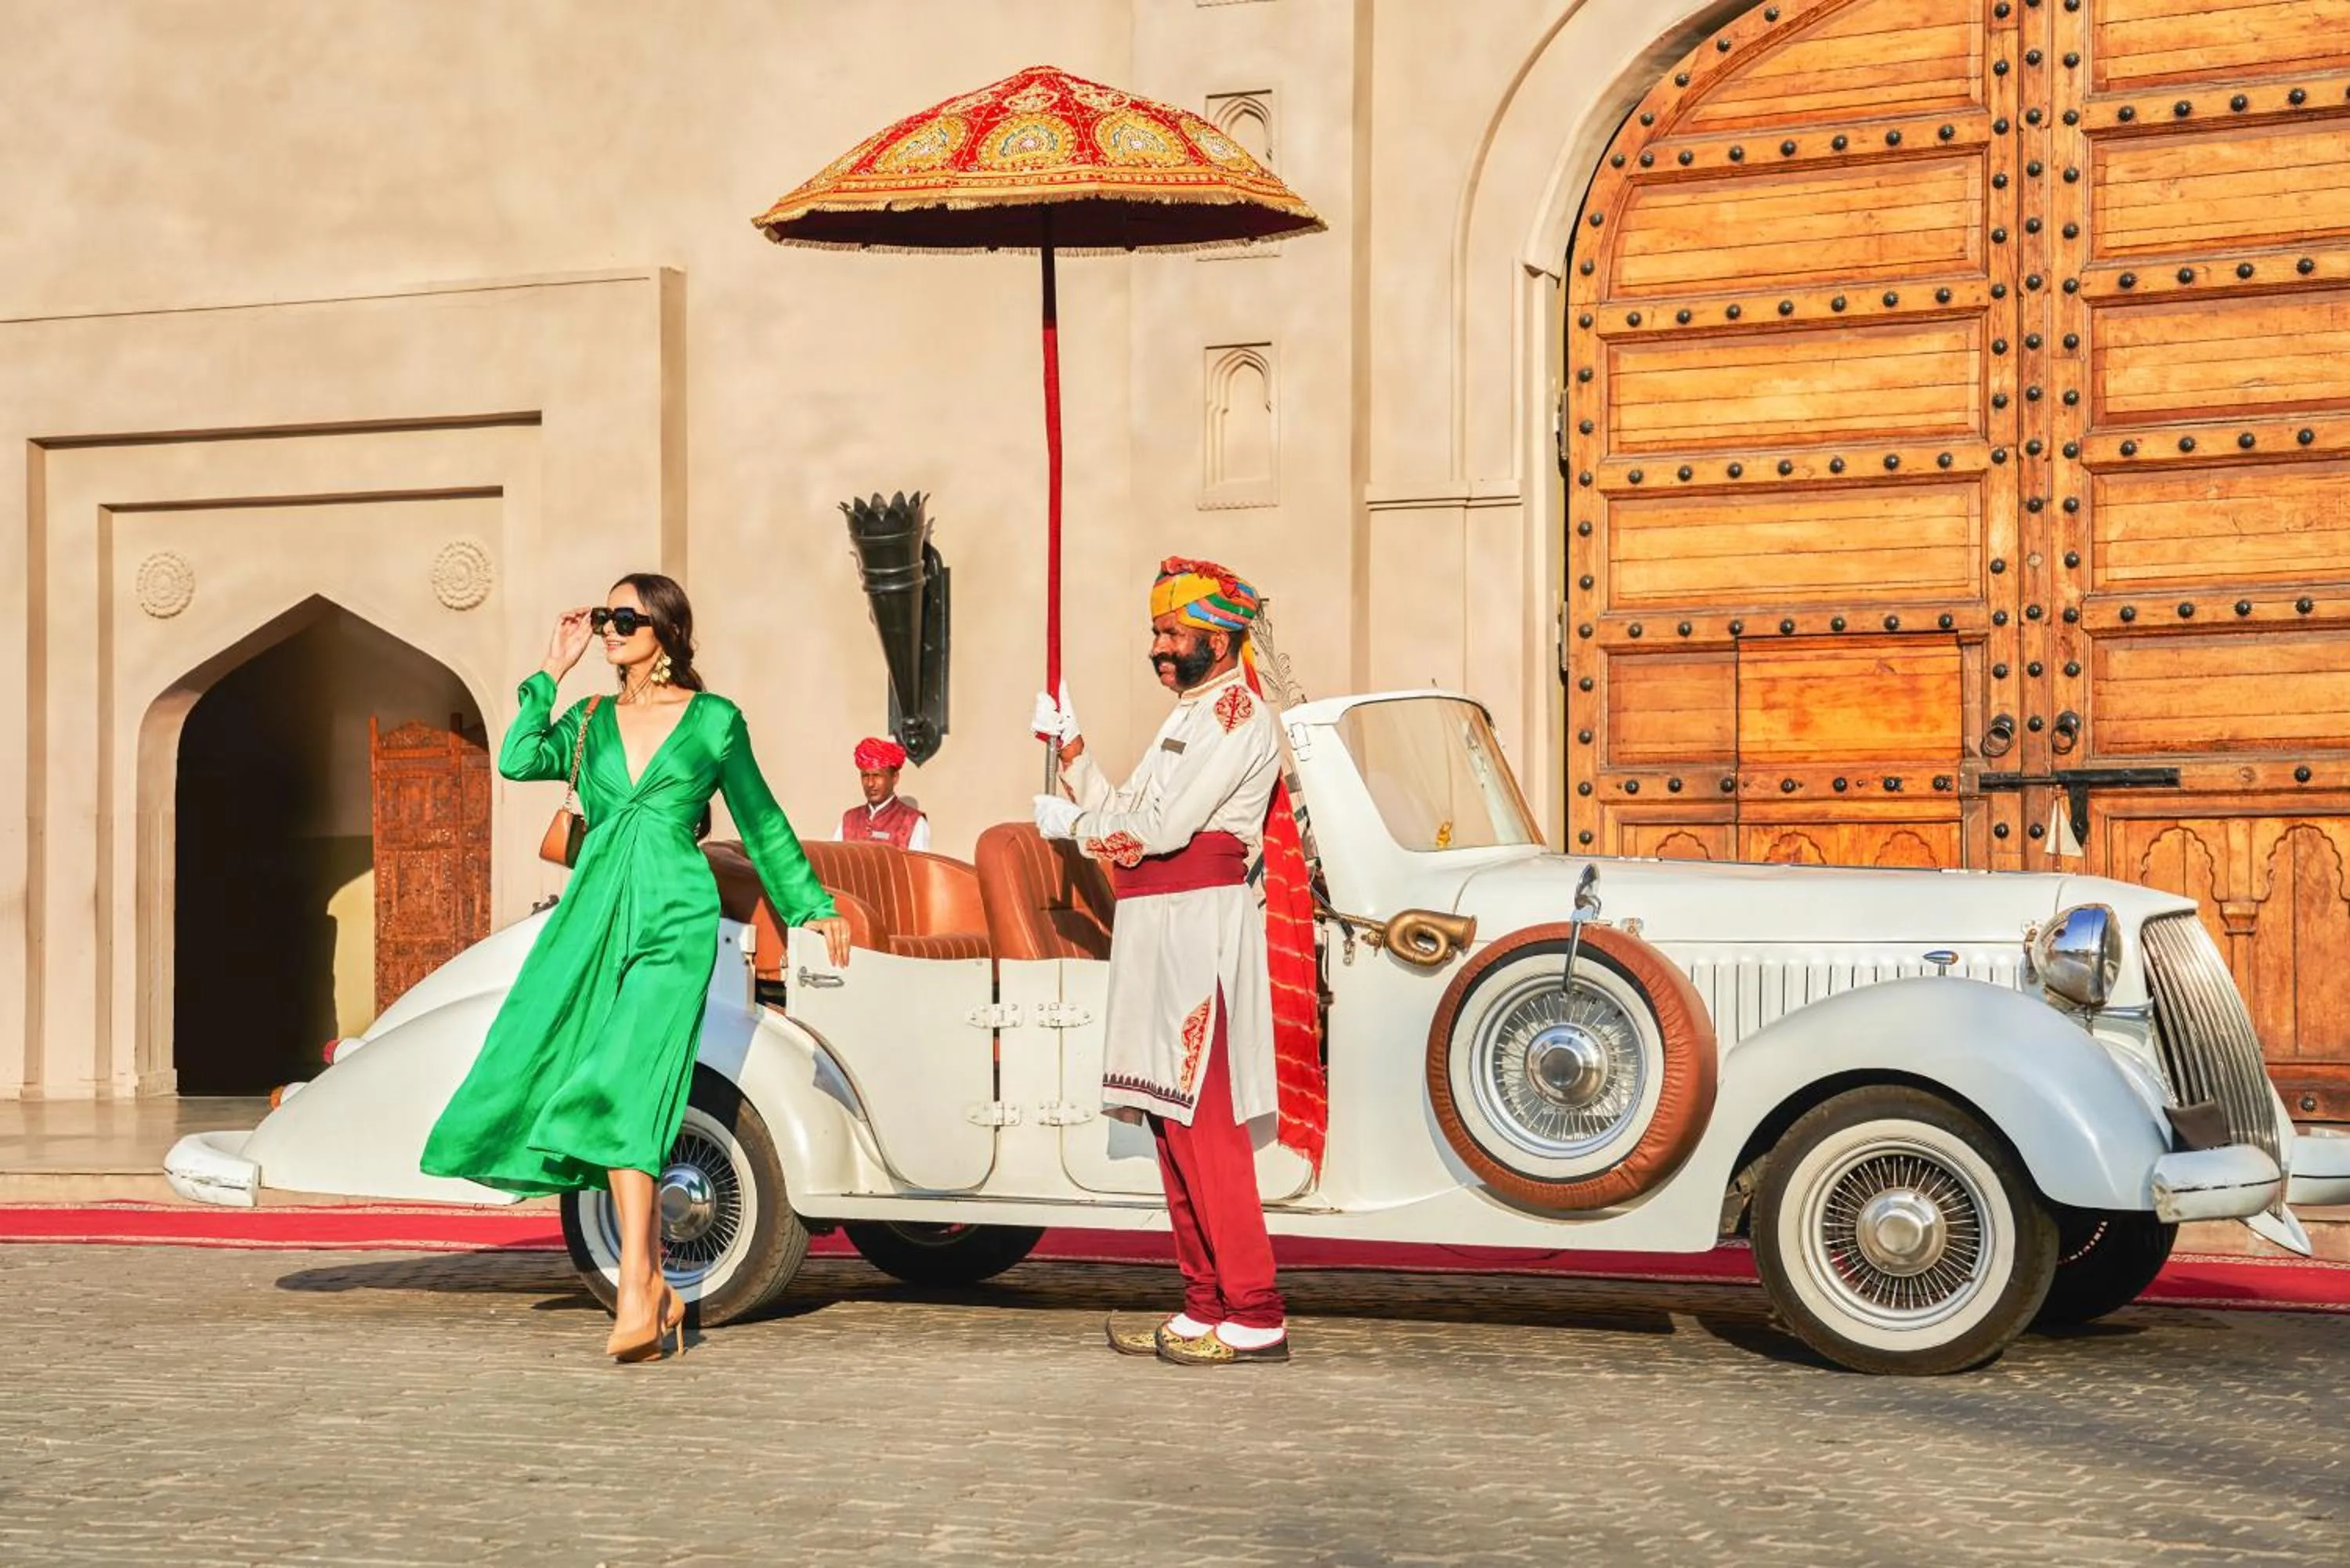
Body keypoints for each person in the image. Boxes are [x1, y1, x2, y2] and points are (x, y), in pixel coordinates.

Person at [421, 573, 851, 1364]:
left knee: (628, 1079)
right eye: (605, 617)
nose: (610, 628)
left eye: (625, 617)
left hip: (675, 919)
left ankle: (634, 1292)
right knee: (541, 1049)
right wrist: (552, 664)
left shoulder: (715, 721)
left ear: (666, 631)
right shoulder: (587, 721)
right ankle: (648, 1282)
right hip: (591, 919)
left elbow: (761, 822)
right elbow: (518, 757)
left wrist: (810, 903)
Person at [1029, 557, 1325, 1367]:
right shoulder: (1189, 715)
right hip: (1156, 927)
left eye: (1172, 632)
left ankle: (1257, 1309)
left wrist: (1069, 825)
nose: (1159, 647)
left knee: (1209, 1130)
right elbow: (1127, 807)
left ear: (1220, 637)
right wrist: (1075, 751)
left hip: (1201, 937)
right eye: (1155, 632)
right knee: (1170, 1125)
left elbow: (1158, 830)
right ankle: (1204, 1302)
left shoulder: (1236, 717)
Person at [835, 736, 931, 850]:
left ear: (895, 778)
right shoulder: (849, 819)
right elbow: (833, 862)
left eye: (877, 776)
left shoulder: (913, 822)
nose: (870, 783)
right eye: (865, 776)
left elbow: (918, 866)